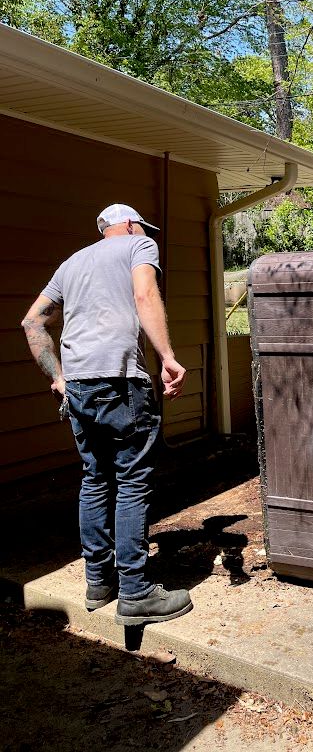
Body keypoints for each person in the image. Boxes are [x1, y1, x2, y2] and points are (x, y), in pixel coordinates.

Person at [21, 204, 193, 625]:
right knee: (132, 481)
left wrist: (59, 378)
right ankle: (135, 592)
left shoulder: (72, 263)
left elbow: (32, 323)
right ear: (131, 225)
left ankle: (98, 582)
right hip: (120, 380)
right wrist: (167, 356)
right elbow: (144, 293)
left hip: (78, 385)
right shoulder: (140, 244)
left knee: (95, 478)